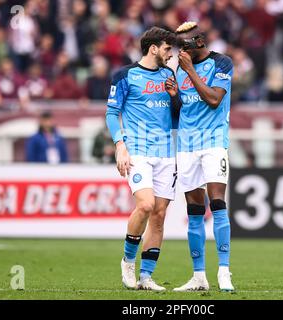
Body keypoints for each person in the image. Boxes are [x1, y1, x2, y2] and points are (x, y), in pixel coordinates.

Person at [105, 27, 177, 291]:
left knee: (159, 215)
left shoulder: (169, 75)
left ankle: (146, 277)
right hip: (138, 151)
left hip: (166, 154)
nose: (172, 54)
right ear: (154, 48)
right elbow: (112, 113)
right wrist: (120, 145)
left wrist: (175, 97)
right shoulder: (125, 75)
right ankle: (127, 260)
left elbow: (177, 115)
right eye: (168, 49)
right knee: (145, 205)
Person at [166, 21, 234, 292]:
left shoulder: (222, 63)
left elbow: (214, 99)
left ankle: (224, 271)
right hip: (186, 145)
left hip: (214, 142)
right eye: (177, 45)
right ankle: (198, 277)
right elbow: (181, 110)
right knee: (194, 212)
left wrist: (190, 70)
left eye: (184, 46)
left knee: (217, 204)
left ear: (199, 43)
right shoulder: (178, 69)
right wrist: (174, 97)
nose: (179, 51)